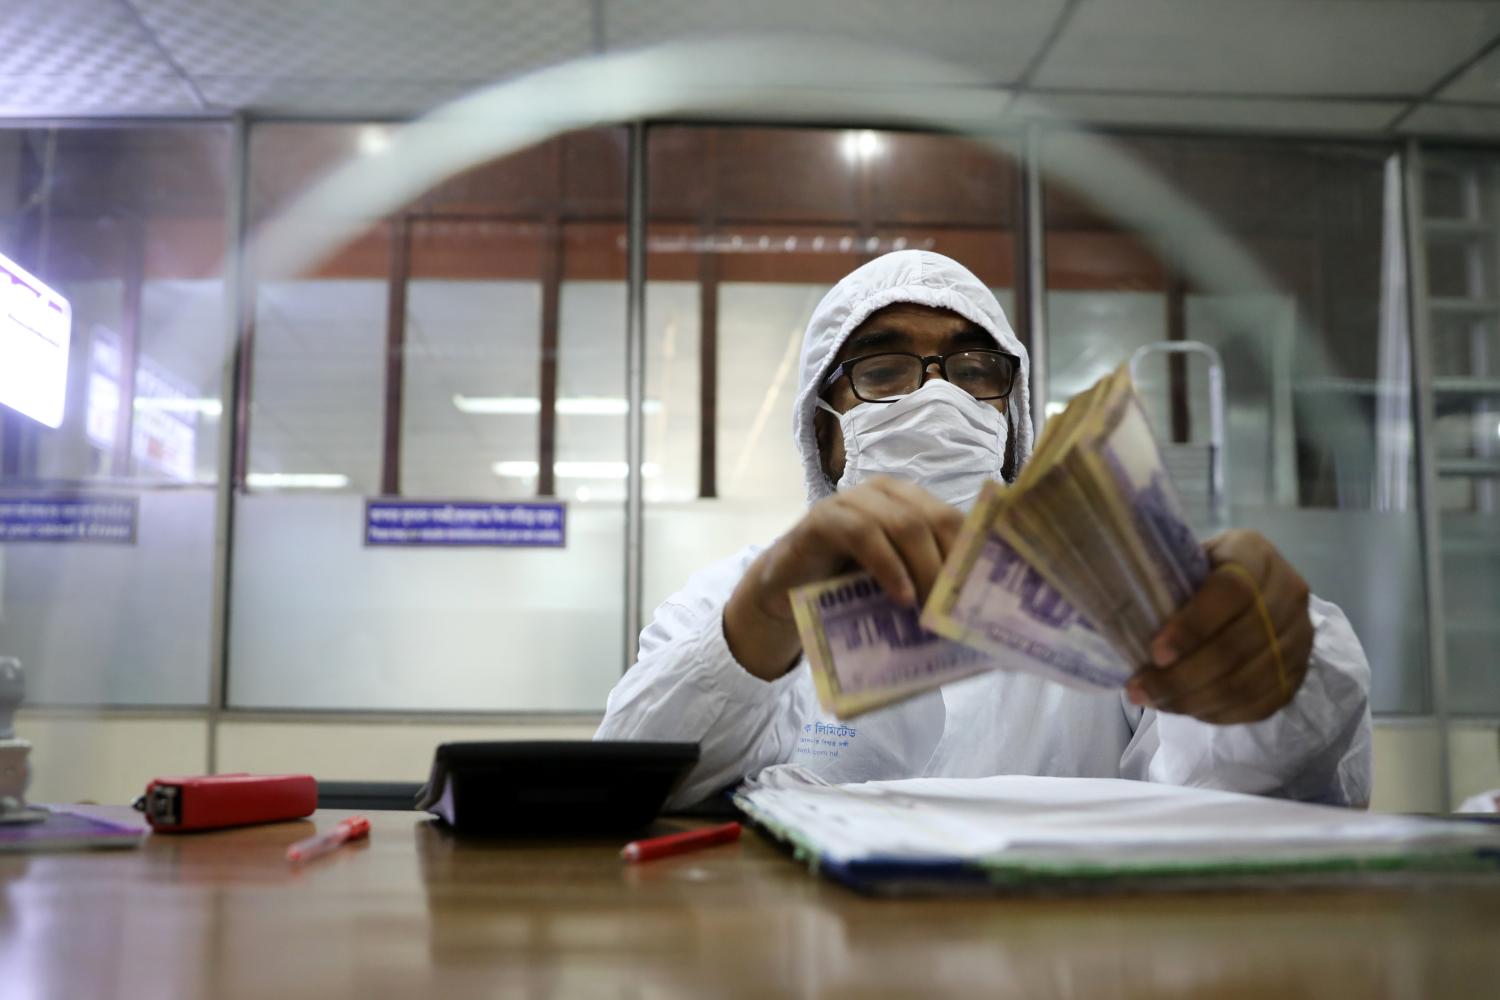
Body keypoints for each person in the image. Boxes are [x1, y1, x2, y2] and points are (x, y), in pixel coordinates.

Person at [596, 250, 1372, 809]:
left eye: (974, 371)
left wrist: (1273, 677)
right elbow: (622, 788)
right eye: (885, 369)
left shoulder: (1109, 596)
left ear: (1011, 418)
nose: (938, 399)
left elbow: (1237, 791)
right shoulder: (728, 601)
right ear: (822, 430)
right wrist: (759, 622)